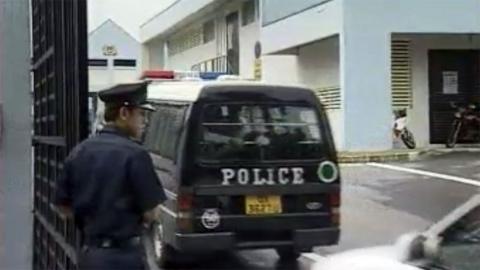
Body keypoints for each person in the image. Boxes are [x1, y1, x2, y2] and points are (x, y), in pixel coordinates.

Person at [54, 82, 167, 270]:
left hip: (91, 255)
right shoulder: (135, 154)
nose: (144, 121)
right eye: (141, 114)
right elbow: (152, 212)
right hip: (124, 257)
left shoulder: (80, 151)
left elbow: (62, 206)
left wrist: (92, 220)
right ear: (124, 113)